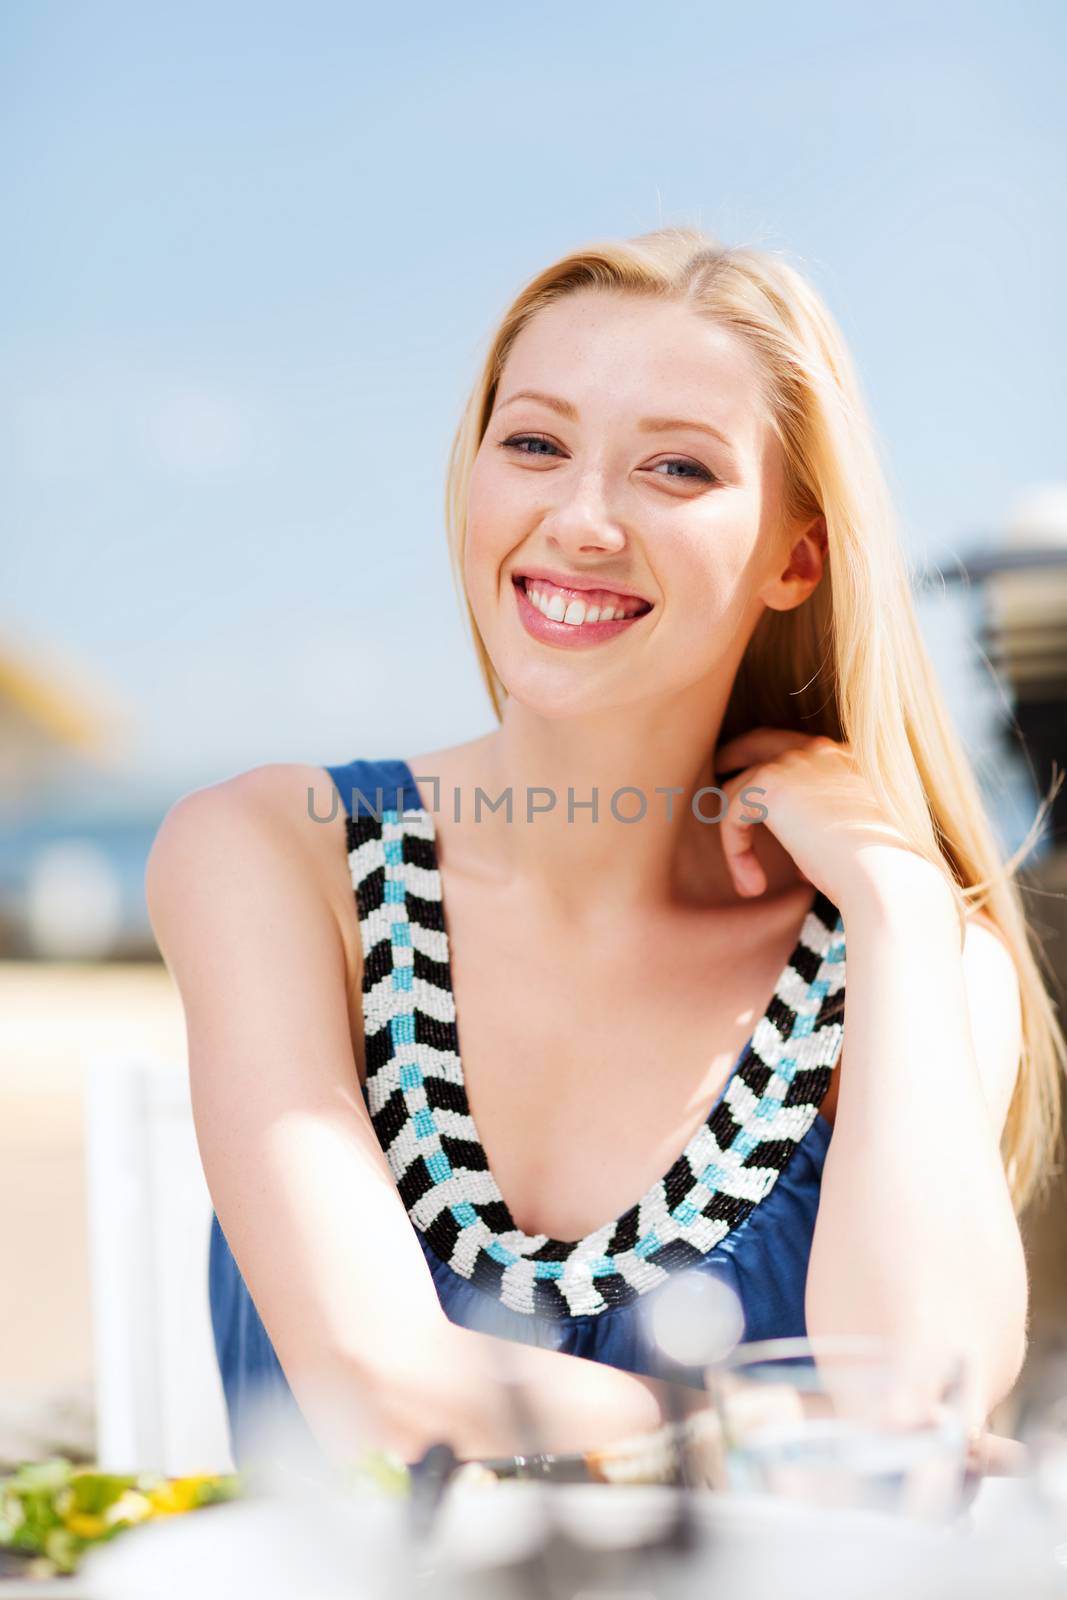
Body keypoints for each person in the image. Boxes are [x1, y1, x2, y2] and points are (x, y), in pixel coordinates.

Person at [146, 226, 1065, 1480]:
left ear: (796, 556)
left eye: (675, 469)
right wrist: (772, 1431)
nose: (579, 519)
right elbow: (378, 1383)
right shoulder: (272, 854)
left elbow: (914, 1398)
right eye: (532, 443)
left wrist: (899, 901)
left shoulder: (904, 955)